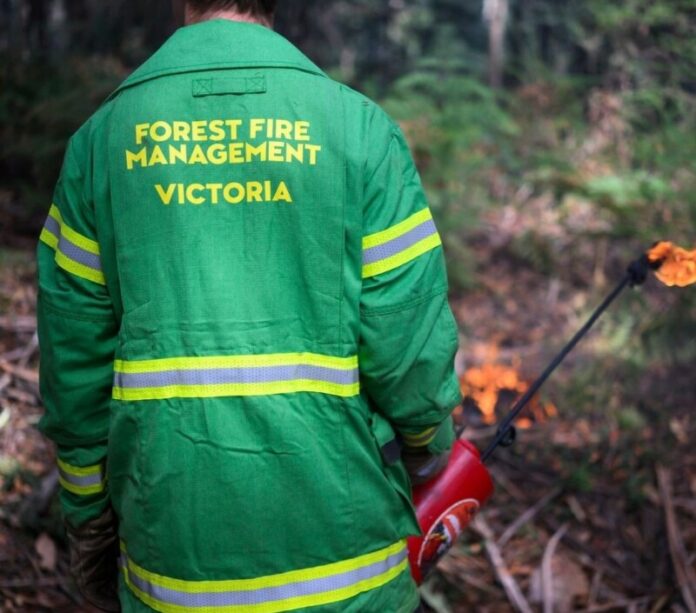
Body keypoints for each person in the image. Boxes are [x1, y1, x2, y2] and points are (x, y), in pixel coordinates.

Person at [36, 1, 462, 611]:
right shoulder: (359, 131)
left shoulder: (102, 142)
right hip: (351, 577)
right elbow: (409, 349)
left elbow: (74, 369)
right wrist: (427, 451)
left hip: (174, 574)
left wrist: (88, 516)